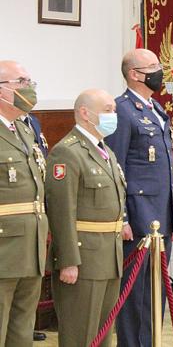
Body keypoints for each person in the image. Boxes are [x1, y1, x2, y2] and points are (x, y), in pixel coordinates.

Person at [106, 48, 173, 347]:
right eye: (153, 66)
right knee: (136, 294)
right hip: (138, 215)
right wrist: (121, 217)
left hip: (161, 214)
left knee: (155, 289)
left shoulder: (155, 109)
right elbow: (115, 167)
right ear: (134, 74)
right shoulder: (121, 110)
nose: (160, 71)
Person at [46, 89, 125, 347]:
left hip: (109, 256)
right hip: (84, 258)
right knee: (80, 334)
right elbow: (61, 211)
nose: (113, 115)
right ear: (84, 113)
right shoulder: (67, 152)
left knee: (103, 334)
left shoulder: (105, 151)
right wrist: (68, 260)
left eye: (113, 110)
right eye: (107, 109)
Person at [0, 61, 48, 347]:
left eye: (30, 81)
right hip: (4, 246)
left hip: (31, 244)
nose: (28, 88)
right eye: (21, 81)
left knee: (21, 328)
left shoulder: (25, 130)